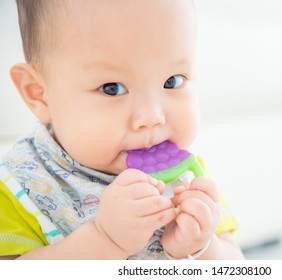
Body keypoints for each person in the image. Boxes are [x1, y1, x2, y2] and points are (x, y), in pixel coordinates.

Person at [0, 0, 244, 259]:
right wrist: (103, 241)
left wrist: (202, 248)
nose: (152, 117)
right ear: (40, 95)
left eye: (173, 81)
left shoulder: (190, 179)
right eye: (112, 88)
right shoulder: (17, 187)